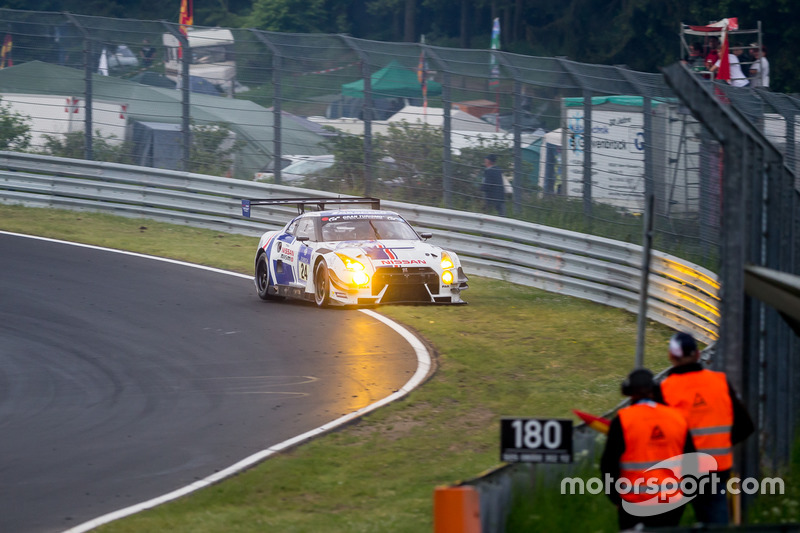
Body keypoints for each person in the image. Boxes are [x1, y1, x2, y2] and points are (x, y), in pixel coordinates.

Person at [655, 332, 755, 525]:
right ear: (698, 355)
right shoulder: (720, 382)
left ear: (671, 356)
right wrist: (722, 443)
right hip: (716, 471)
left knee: (665, 526)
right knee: (715, 525)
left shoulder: (664, 390)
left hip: (677, 473)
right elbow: (745, 426)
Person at [601, 368, 694, 531]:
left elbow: (608, 464)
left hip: (634, 504)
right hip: (671, 504)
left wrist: (615, 499)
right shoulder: (677, 418)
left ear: (628, 392)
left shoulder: (623, 420)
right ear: (655, 389)